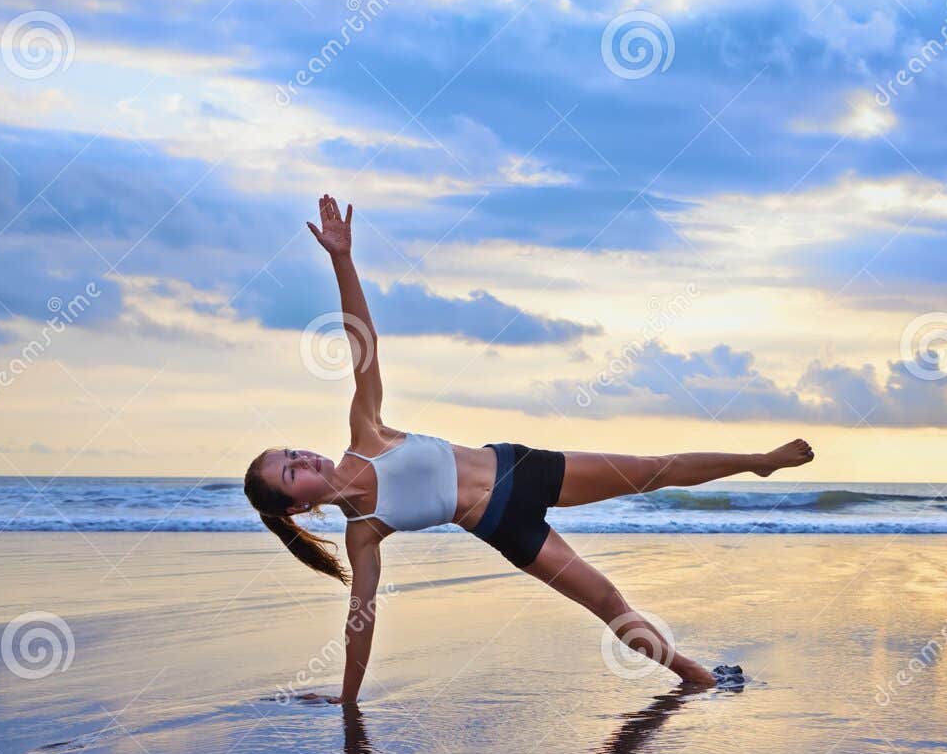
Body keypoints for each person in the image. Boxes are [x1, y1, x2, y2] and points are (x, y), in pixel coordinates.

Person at [242, 195, 813, 699]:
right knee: (606, 600)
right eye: (292, 474)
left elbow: (360, 341)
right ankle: (698, 678)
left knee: (650, 469)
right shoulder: (363, 533)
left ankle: (757, 462)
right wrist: (348, 700)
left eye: (294, 453)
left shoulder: (366, 434)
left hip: (520, 466)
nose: (305, 460)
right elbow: (359, 620)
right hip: (502, 525)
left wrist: (342, 259)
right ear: (297, 507)